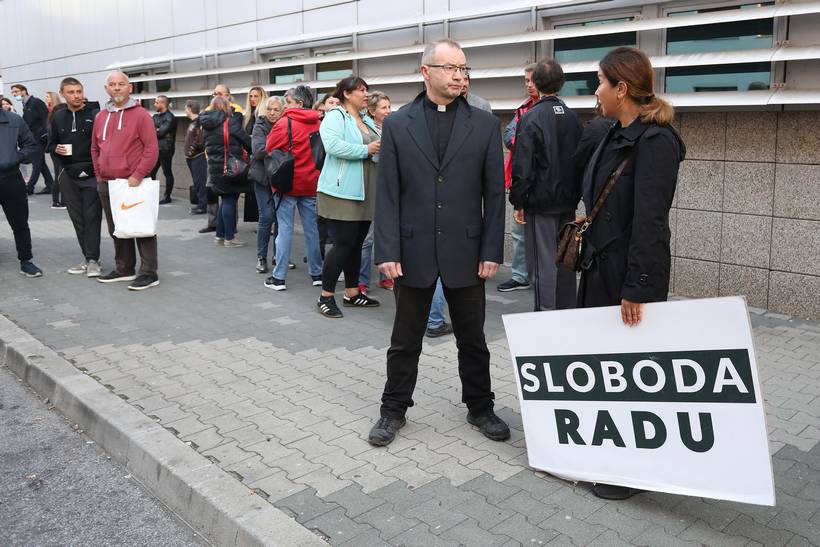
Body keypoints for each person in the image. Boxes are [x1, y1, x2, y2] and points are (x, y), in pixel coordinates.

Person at [369, 39, 509, 446]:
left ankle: (481, 408)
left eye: (464, 69)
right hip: (411, 252)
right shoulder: (397, 124)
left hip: (467, 251)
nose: (459, 76)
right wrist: (388, 250)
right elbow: (389, 194)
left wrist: (491, 250)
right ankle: (392, 411)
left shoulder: (484, 125)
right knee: (404, 339)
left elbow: (494, 194)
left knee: (473, 339)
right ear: (425, 71)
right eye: (450, 68)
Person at [579, 47, 685, 500]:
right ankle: (607, 456)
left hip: (627, 275)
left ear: (622, 88)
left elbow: (650, 221)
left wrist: (637, 289)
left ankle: (632, 472)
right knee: (605, 370)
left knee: (629, 374)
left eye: (600, 83)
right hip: (599, 267)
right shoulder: (612, 131)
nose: (595, 91)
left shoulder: (656, 141)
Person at [509, 59, 582, 312]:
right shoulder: (573, 117)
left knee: (542, 262)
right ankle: (566, 312)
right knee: (564, 259)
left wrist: (518, 201)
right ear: (561, 83)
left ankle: (545, 316)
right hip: (567, 201)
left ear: (537, 83)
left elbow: (523, 164)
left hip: (540, 202)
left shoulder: (532, 117)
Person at [315, 76, 381, 318]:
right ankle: (326, 296)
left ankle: (352, 293)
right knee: (343, 245)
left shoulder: (365, 120)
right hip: (341, 191)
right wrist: (366, 150)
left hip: (364, 191)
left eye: (367, 89)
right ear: (346, 93)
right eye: (360, 90)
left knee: (356, 245)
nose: (366, 94)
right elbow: (332, 146)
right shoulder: (336, 116)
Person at [90, 71, 160, 291]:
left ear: (130, 88)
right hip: (108, 183)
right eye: (112, 84)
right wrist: (99, 173)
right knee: (118, 228)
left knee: (142, 227)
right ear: (106, 89)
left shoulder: (141, 116)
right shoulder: (101, 116)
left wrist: (138, 174)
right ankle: (124, 268)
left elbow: (151, 149)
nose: (117, 88)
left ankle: (149, 273)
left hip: (133, 182)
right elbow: (94, 148)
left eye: (121, 84)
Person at [264, 85, 323, 291]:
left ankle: (279, 277)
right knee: (312, 230)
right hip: (311, 182)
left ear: (298, 102)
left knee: (285, 230)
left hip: (287, 184)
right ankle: (317, 273)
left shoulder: (284, 123)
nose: (284, 105)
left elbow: (269, 147)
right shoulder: (317, 121)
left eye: (287, 101)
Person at [47, 77, 103, 277]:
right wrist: (57, 148)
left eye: (79, 91)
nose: (76, 95)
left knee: (92, 217)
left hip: (92, 173)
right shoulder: (58, 116)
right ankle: (88, 258)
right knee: (78, 219)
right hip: (67, 174)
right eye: (71, 92)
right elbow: (50, 145)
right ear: (62, 93)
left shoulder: (96, 113)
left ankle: (93, 260)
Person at [498, 64, 539, 293]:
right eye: (525, 80)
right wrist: (529, 146)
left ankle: (541, 275)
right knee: (519, 232)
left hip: (543, 183)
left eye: (532, 80)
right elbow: (508, 135)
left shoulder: (555, 109)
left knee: (544, 233)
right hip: (520, 180)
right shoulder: (522, 109)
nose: (528, 84)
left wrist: (526, 144)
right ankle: (520, 275)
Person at [199, 95, 251, 247]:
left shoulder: (206, 124)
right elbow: (246, 141)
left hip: (214, 167)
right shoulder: (230, 122)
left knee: (224, 200)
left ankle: (220, 236)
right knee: (229, 200)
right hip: (230, 167)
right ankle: (229, 238)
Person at [0, 102, 43, 277]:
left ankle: (26, 261)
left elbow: (30, 145)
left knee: (20, 223)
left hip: (11, 179)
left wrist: (15, 157)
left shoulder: (14, 120)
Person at [358, 91, 393, 294]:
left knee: (385, 234)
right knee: (369, 237)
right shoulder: (366, 129)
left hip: (389, 187)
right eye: (383, 108)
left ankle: (385, 277)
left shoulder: (393, 127)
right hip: (372, 187)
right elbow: (370, 156)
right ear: (372, 111)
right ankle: (362, 281)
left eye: (389, 107)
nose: (388, 111)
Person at [249, 95, 285, 273]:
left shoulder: (286, 124)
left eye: (276, 109)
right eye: (269, 109)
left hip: (280, 177)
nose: (272, 113)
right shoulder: (260, 125)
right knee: (267, 217)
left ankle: (278, 255)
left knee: (280, 219)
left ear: (283, 110)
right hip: (262, 178)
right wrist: (280, 147)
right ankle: (261, 257)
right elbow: (258, 151)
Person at [10, 84, 54, 196]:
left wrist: (42, 135)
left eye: (16, 91)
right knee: (41, 163)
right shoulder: (26, 104)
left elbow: (46, 119)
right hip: (33, 139)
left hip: (39, 139)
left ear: (24, 91)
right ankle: (50, 185)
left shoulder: (36, 102)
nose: (15, 94)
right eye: (13, 92)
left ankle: (30, 187)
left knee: (36, 163)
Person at [150, 95, 177, 204]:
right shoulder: (155, 116)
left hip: (166, 149)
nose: (154, 104)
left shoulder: (170, 117)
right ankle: (151, 194)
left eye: (156, 102)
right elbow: (149, 130)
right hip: (156, 148)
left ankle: (167, 196)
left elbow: (161, 133)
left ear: (162, 104)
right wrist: (156, 130)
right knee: (151, 172)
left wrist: (156, 130)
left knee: (167, 171)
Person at [183, 100, 207, 215]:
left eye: (185, 108)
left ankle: (203, 206)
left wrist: (191, 152)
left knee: (200, 181)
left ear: (190, 108)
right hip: (192, 157)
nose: (184, 110)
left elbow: (200, 141)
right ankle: (200, 204)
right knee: (197, 182)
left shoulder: (198, 122)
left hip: (197, 157)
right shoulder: (192, 122)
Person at [45, 91, 66, 209]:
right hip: (58, 149)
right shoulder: (56, 118)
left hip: (54, 149)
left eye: (48, 97)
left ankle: (58, 201)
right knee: (60, 174)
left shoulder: (51, 117)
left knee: (59, 174)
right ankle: (60, 201)